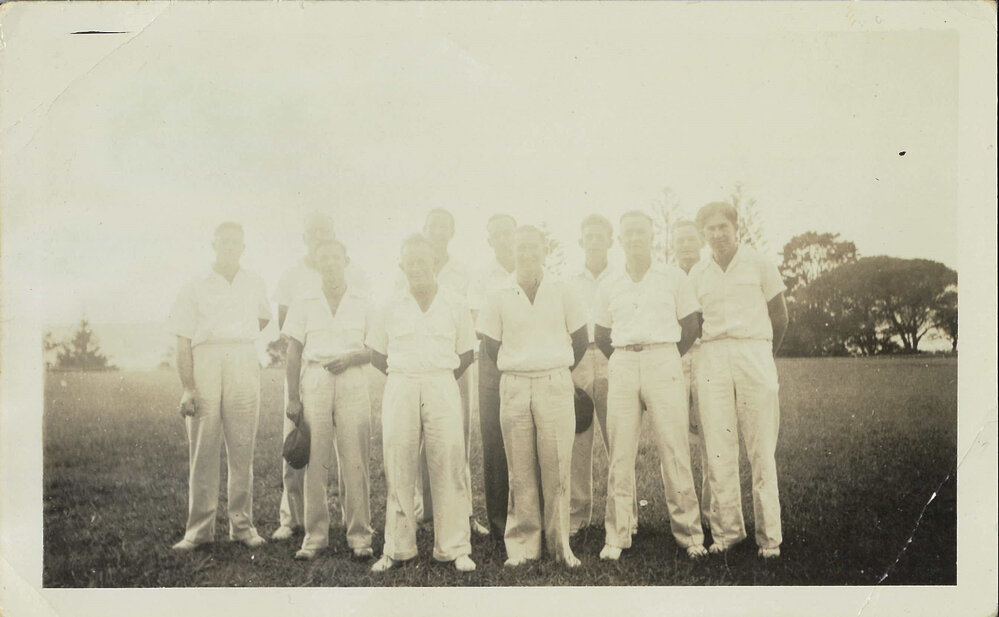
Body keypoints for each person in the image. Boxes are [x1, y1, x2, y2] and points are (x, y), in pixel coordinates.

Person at [594, 211, 707, 561]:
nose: (635, 239)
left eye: (641, 233)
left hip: (663, 359)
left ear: (652, 237)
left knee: (674, 448)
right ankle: (617, 535)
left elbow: (691, 324)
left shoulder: (672, 277)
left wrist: (667, 356)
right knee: (621, 452)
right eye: (629, 234)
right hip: (624, 362)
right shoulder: (610, 281)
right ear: (620, 240)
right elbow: (601, 334)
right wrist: (628, 357)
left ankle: (690, 535)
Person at [477, 225, 588, 568]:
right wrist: (521, 369)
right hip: (514, 384)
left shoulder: (563, 289)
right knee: (520, 470)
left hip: (554, 382)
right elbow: (491, 346)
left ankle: (560, 546)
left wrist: (554, 370)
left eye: (533, 248)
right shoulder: (497, 293)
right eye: (520, 248)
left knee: (557, 467)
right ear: (512, 251)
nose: (526, 254)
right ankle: (524, 547)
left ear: (544, 251)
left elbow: (580, 339)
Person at [367, 234, 477, 573]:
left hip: (442, 382)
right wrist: (411, 377)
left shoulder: (456, 303)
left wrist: (437, 379)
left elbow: (467, 352)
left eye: (422, 260)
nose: (416, 267)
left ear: (434, 262)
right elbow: (376, 353)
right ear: (402, 265)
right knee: (399, 465)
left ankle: (454, 546)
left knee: (449, 463)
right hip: (400, 382)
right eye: (409, 262)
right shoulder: (388, 305)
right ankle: (397, 548)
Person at [689, 202, 788, 559]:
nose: (717, 234)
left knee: (761, 450)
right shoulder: (698, 273)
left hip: (754, 354)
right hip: (712, 356)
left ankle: (769, 539)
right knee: (719, 449)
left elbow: (781, 316)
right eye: (710, 229)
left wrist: (762, 357)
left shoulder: (760, 263)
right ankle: (728, 534)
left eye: (722, 226)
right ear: (704, 234)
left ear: (736, 227)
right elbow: (693, 322)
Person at [168, 222, 271, 551]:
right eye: (223, 241)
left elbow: (262, 318)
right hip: (206, 361)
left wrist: (237, 339)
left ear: (243, 247)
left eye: (235, 242)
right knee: (203, 448)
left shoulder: (254, 281)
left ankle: (242, 526)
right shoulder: (194, 285)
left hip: (242, 358)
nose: (229, 247)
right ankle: (198, 530)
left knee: (242, 448)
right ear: (213, 244)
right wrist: (188, 386)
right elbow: (182, 339)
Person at [272, 212, 370, 542]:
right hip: (313, 379)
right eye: (323, 258)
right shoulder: (302, 295)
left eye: (335, 258)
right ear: (315, 260)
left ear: (346, 260)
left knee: (354, 458)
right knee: (313, 458)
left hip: (353, 379)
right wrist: (293, 396)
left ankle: (359, 535)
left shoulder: (361, 296)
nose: (330, 263)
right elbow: (293, 348)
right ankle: (314, 535)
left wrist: (354, 357)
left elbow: (377, 346)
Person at [408, 208, 489, 537]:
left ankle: (464, 512)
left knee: (458, 440)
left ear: (451, 232)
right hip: (417, 368)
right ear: (424, 230)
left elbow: (468, 323)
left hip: (456, 367)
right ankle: (423, 509)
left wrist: (449, 372)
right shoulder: (409, 266)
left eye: (444, 227)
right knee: (414, 438)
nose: (437, 233)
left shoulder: (462, 272)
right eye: (432, 227)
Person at [564, 214, 638, 537]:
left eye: (600, 237)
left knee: (619, 442)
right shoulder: (568, 281)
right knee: (578, 442)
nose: (593, 243)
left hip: (612, 359)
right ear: (581, 242)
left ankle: (627, 516)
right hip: (578, 359)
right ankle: (577, 516)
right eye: (588, 237)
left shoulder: (622, 278)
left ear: (610, 242)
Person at [467, 213, 518, 540]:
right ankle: (500, 524)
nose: (503, 239)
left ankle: (531, 518)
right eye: (496, 235)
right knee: (495, 444)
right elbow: (478, 323)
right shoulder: (481, 277)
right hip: (492, 361)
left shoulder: (532, 267)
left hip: (530, 361)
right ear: (490, 240)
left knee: (530, 439)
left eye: (507, 233)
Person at [669, 219, 711, 526]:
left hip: (708, 355)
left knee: (712, 436)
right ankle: (686, 517)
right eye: (679, 241)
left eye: (690, 240)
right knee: (676, 438)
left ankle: (713, 515)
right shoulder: (666, 277)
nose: (685, 246)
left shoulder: (710, 273)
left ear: (701, 241)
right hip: (674, 358)